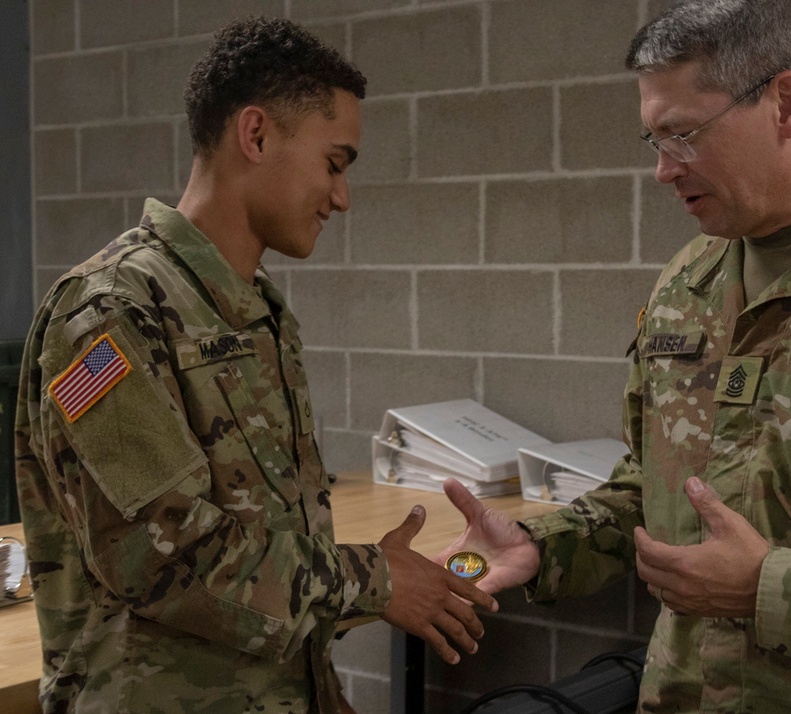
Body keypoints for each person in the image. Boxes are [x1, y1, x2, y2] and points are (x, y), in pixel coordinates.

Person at [436, 0, 791, 711]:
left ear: (786, 104)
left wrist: (772, 591)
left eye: (682, 136)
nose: (663, 172)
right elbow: (657, 491)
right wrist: (542, 546)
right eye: (654, 141)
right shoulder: (689, 280)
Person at [14, 16, 495, 714]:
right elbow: (162, 559)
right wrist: (372, 579)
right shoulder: (109, 313)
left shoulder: (254, 311)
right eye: (334, 163)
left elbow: (264, 548)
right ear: (256, 134)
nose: (341, 198)